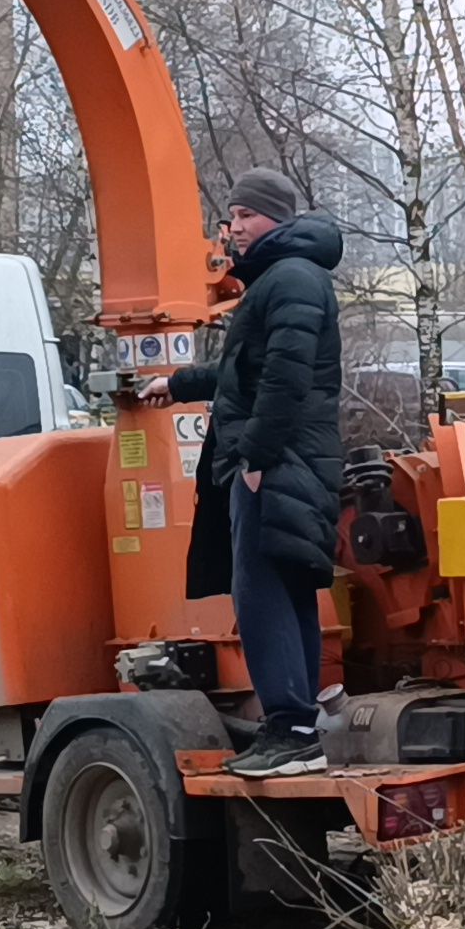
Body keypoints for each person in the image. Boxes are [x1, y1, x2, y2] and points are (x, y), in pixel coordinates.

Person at [142, 168, 345, 779]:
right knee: (287, 589)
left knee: (262, 595)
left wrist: (255, 458)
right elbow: (245, 373)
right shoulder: (286, 279)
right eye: (230, 218)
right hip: (287, 456)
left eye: (244, 217)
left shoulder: (289, 279)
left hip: (275, 460)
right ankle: (295, 724)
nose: (232, 230)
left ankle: (290, 730)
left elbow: (285, 379)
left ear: (274, 219)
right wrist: (176, 383)